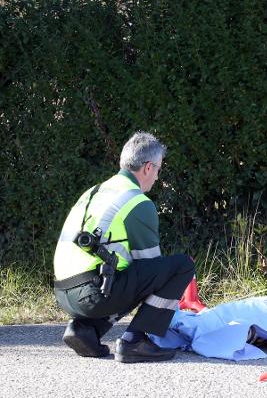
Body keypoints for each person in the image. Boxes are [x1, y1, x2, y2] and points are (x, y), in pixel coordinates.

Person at [53, 131, 196, 362]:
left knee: (124, 275)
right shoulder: (137, 201)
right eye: (158, 169)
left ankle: (85, 330)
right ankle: (135, 340)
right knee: (181, 266)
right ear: (148, 168)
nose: (158, 177)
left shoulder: (94, 191)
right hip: (92, 294)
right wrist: (166, 313)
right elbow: (151, 268)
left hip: (63, 293)